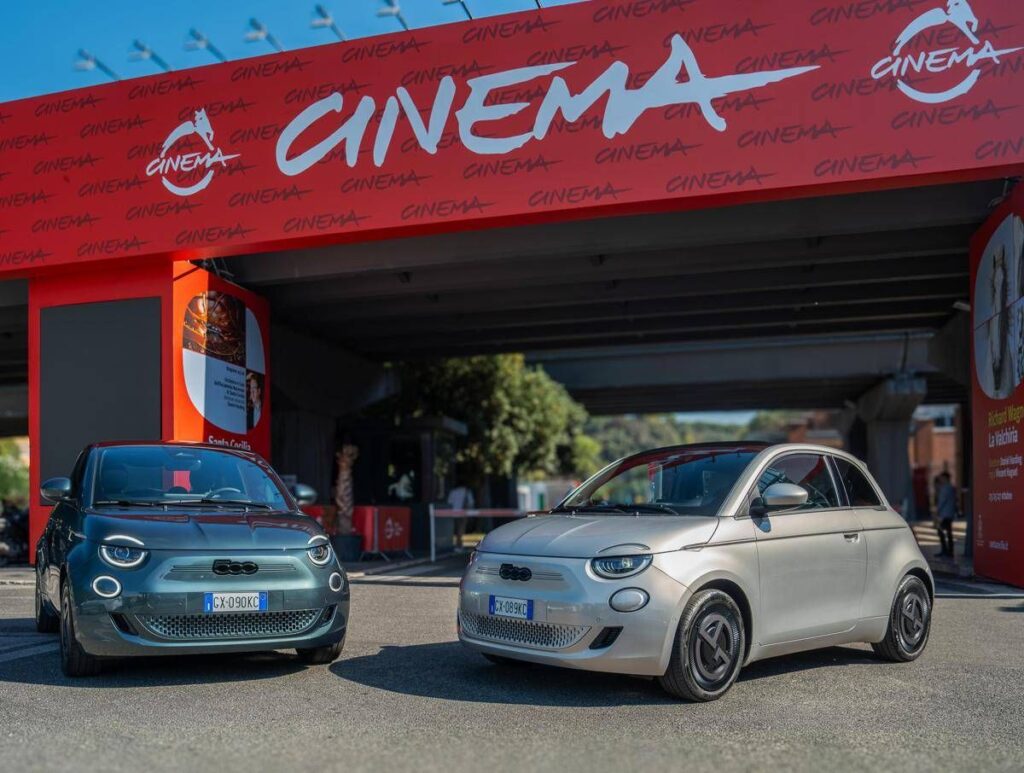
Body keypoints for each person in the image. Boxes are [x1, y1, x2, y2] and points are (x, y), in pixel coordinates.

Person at [934, 471, 959, 558]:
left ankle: (945, 551)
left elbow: (941, 501)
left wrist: (937, 511)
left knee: (941, 532)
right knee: (948, 532)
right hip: (950, 514)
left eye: (942, 478)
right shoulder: (952, 488)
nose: (941, 479)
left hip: (944, 514)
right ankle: (949, 551)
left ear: (945, 478)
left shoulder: (945, 488)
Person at [448, 482, 475, 551]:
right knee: (461, 530)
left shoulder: (453, 492)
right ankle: (459, 545)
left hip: (454, 513)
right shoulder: (467, 491)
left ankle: (458, 545)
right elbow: (471, 503)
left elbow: (449, 502)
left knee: (457, 530)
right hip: (463, 513)